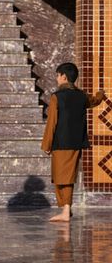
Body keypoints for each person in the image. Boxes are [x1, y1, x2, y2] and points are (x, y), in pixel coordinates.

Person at [41, 62, 106, 222]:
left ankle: (65, 210)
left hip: (61, 142)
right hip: (76, 142)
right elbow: (94, 101)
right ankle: (65, 209)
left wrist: (46, 144)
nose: (56, 78)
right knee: (64, 176)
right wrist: (101, 93)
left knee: (62, 177)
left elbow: (52, 123)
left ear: (63, 76)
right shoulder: (82, 96)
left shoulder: (57, 97)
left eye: (57, 75)